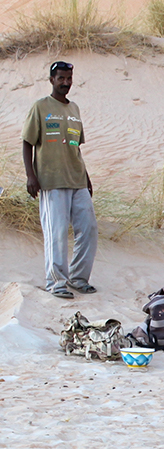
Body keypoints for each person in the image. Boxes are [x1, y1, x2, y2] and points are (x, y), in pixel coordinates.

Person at [21, 61, 97, 299]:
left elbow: (76, 148)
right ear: (52, 80)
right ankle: (56, 283)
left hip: (77, 179)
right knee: (57, 232)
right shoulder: (41, 107)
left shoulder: (74, 109)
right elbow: (27, 142)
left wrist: (86, 177)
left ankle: (78, 278)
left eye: (69, 78)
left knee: (89, 229)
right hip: (51, 180)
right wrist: (30, 176)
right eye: (61, 78)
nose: (66, 83)